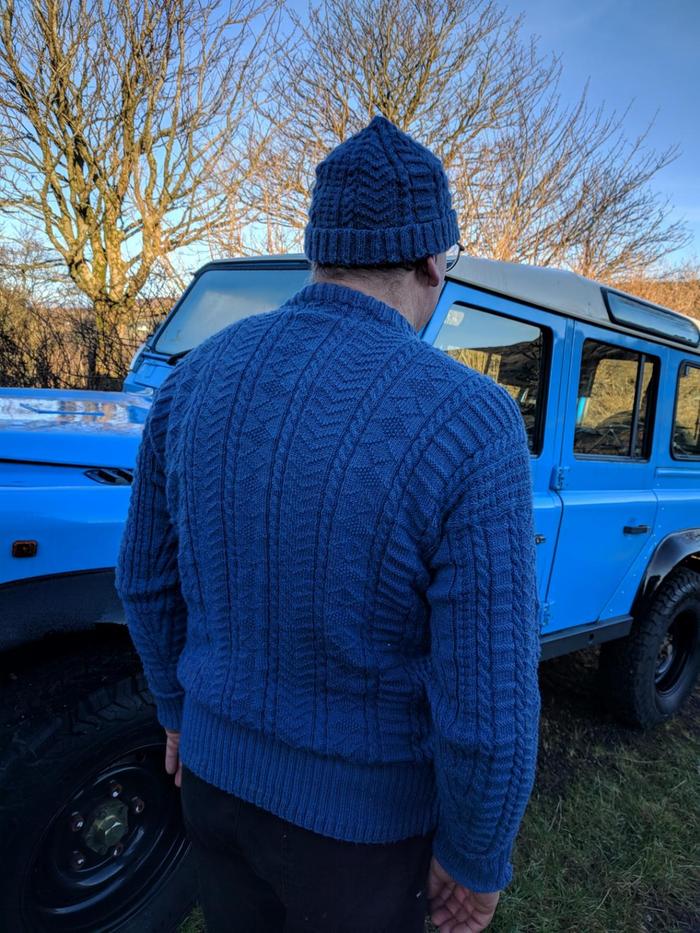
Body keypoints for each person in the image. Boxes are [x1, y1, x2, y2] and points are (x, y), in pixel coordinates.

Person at [115, 113, 542, 933]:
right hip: (360, 838)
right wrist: (476, 856)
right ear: (432, 260)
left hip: (212, 782)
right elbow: (488, 702)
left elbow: (143, 579)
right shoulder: (472, 419)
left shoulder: (193, 379)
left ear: (319, 251)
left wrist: (175, 709)